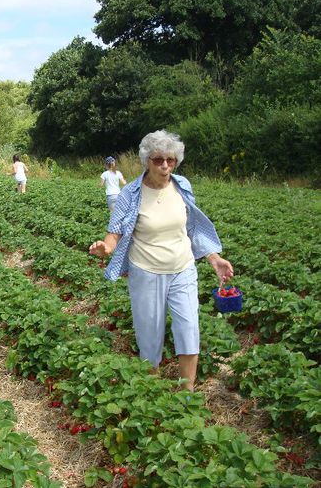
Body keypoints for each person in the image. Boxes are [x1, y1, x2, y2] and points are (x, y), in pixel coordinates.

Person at [88, 130, 233, 392]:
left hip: (183, 269)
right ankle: (153, 393)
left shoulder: (182, 186)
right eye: (158, 159)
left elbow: (193, 227)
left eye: (171, 159)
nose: (165, 165)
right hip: (146, 271)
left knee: (189, 327)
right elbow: (115, 232)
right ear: (146, 160)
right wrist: (106, 248)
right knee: (149, 335)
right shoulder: (130, 194)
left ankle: (187, 393)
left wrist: (214, 258)